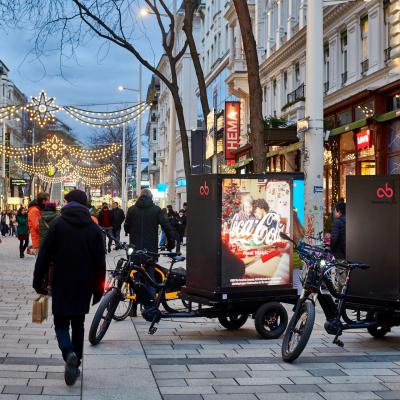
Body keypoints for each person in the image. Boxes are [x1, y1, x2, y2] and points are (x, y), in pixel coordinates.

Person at [33, 189, 105, 386]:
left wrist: (37, 280)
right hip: (84, 284)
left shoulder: (58, 224)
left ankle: (68, 352)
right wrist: (98, 290)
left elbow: (44, 255)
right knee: (78, 324)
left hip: (61, 281)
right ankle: (77, 361)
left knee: (61, 323)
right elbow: (100, 262)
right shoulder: (93, 227)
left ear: (69, 203)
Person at [124, 189, 176, 297]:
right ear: (151, 197)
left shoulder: (132, 210)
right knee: (150, 276)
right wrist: (171, 243)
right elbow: (167, 227)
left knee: (135, 276)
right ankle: (151, 304)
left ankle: (134, 304)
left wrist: (132, 230)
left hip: (135, 249)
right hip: (150, 249)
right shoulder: (157, 210)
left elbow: (126, 228)